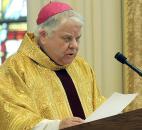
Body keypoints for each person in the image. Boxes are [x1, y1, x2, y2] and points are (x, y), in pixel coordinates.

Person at [0, 1, 105, 130]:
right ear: (44, 36)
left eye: (77, 39)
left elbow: (98, 106)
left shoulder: (81, 66)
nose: (75, 46)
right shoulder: (16, 68)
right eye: (67, 39)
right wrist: (56, 126)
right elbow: (12, 118)